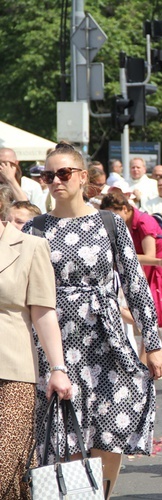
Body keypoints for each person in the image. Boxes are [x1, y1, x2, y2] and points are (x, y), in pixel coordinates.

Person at [23, 143, 162, 499]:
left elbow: (135, 286)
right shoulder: (35, 229)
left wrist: (153, 343)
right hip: (56, 343)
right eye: (48, 175)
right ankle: (77, 496)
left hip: (107, 339)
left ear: (83, 176)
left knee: (113, 425)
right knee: (67, 433)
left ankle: (100, 495)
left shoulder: (109, 223)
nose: (56, 180)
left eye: (64, 173)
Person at [0, 183, 72, 500]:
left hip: (14, 370)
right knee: (18, 479)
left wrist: (58, 368)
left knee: (6, 464)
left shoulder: (30, 246)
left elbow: (43, 313)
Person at [100, 191, 162, 328]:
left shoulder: (143, 222)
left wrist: (119, 255)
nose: (111, 220)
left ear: (124, 209)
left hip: (161, 267)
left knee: (156, 316)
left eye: (113, 214)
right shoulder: (126, 222)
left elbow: (150, 256)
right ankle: (149, 349)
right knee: (147, 317)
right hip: (149, 267)